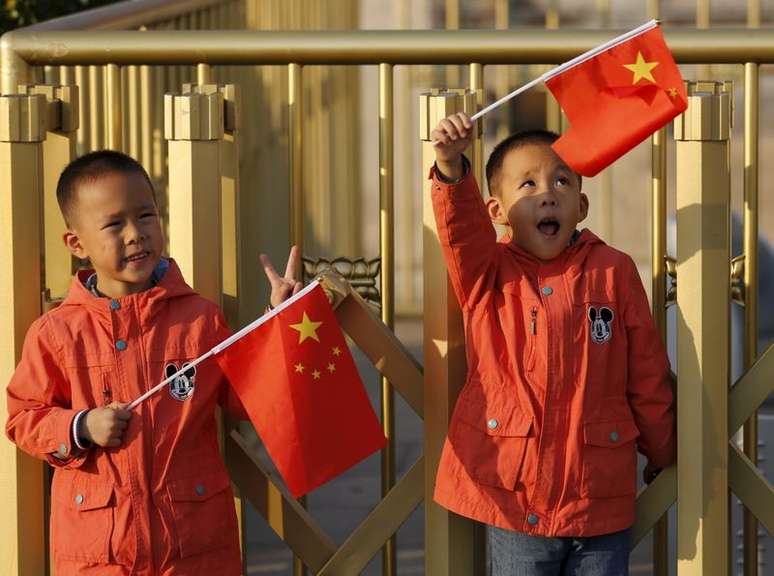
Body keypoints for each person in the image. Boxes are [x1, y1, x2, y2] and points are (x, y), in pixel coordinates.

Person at [5, 150, 300, 575]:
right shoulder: (57, 333)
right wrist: (81, 426)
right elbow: (22, 417)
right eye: (113, 224)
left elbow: (245, 400)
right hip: (100, 556)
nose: (135, 234)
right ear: (76, 243)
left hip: (195, 550)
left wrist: (278, 321)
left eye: (146, 216)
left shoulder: (199, 318)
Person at [429, 113, 675, 575]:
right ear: (497, 212)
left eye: (561, 181)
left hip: (599, 498)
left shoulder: (613, 271)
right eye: (527, 185)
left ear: (580, 206)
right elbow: (459, 231)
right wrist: (449, 164)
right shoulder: (487, 273)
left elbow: (646, 369)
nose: (548, 193)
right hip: (516, 496)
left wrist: (663, 451)